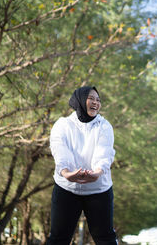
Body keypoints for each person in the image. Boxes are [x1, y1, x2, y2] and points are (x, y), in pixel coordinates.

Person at [47, 86, 117, 245]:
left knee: (105, 238)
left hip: (99, 190)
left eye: (98, 100)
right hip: (66, 188)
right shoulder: (62, 124)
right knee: (58, 238)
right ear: (79, 99)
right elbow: (59, 149)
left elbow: (104, 152)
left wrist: (97, 172)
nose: (96, 103)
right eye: (91, 98)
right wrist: (65, 172)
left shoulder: (104, 126)